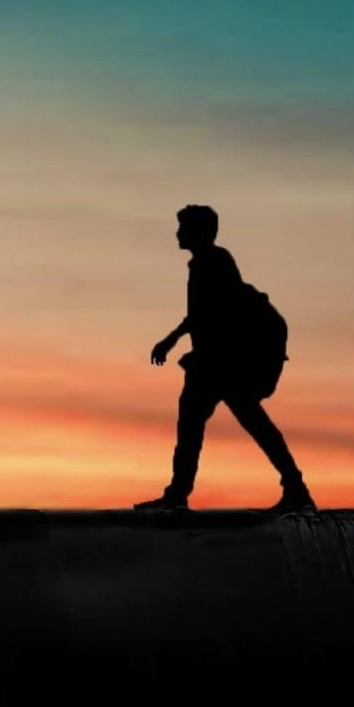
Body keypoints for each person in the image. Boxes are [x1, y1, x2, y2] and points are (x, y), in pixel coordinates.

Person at [135, 205, 316, 513]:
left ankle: (295, 489)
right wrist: (173, 339)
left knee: (242, 422)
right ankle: (180, 492)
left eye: (183, 228)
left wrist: (173, 340)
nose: (178, 233)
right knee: (206, 423)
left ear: (198, 232)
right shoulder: (204, 263)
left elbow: (214, 312)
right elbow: (200, 314)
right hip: (213, 362)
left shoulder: (214, 263)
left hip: (222, 364)